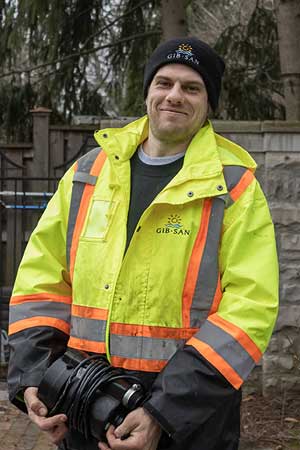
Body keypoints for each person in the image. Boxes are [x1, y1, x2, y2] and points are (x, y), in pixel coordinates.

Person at [7, 37, 279, 450]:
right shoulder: (87, 173)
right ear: (148, 91)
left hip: (188, 420)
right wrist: (35, 379)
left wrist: (162, 413)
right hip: (84, 402)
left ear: (209, 104)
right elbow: (41, 282)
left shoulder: (234, 186)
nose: (174, 96)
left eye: (191, 88)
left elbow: (250, 307)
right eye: (164, 82)